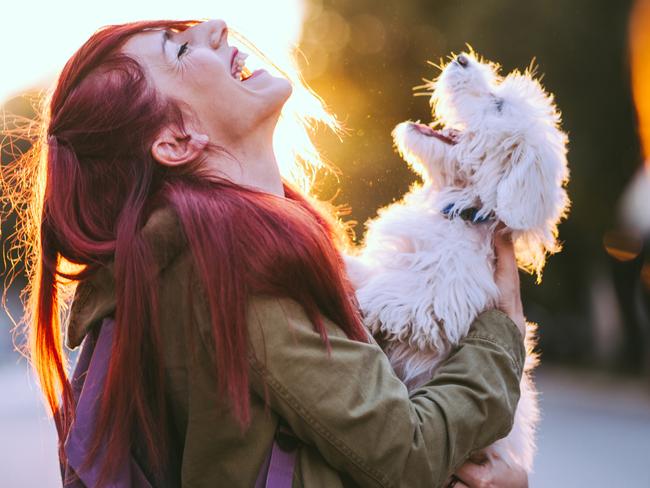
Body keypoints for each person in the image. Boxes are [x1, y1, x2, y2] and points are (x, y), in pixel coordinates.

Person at [13, 18, 529, 487]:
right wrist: (501, 331)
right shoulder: (231, 264)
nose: (215, 27)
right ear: (175, 141)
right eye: (181, 50)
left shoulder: (196, 255)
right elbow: (406, 452)